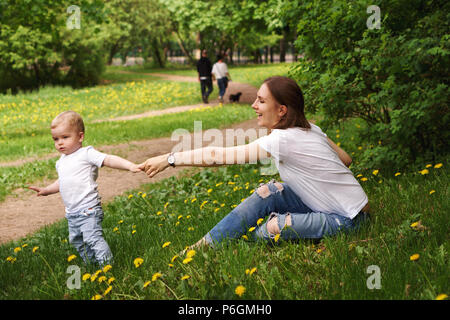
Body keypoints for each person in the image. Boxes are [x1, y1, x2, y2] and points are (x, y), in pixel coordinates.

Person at [138, 76, 369, 250]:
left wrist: (170, 159)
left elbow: (216, 157)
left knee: (266, 232)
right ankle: (203, 246)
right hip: (341, 208)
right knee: (268, 191)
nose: (254, 106)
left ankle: (261, 230)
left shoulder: (283, 138)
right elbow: (346, 160)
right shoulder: (310, 128)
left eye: (261, 101)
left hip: (348, 219)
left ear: (281, 111)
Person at [29, 111, 141, 265]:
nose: (59, 143)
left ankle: (108, 267)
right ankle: (93, 265)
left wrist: (130, 166)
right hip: (72, 213)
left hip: (88, 210)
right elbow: (62, 182)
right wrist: (46, 190)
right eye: (56, 139)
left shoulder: (86, 154)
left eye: (65, 137)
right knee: (77, 241)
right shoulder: (61, 161)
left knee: (93, 238)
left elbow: (108, 159)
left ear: (80, 137)